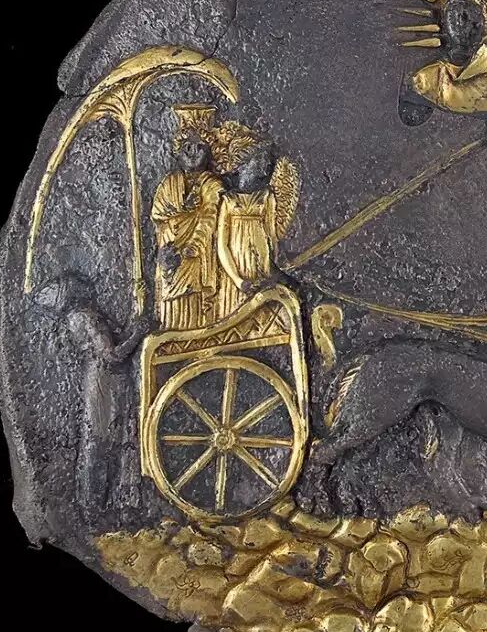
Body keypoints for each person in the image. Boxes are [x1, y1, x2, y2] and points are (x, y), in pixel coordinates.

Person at [36, 274, 150, 510]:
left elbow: (115, 341)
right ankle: (98, 500)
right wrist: (139, 333)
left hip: (98, 378)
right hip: (105, 381)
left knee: (100, 438)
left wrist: (137, 320)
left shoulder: (74, 318)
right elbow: (113, 355)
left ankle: (94, 500)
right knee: (104, 439)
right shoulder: (87, 316)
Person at [214, 124, 301, 320]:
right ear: (244, 163)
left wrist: (273, 271)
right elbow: (222, 245)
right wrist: (237, 280)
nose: (265, 166)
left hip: (261, 265)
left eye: (266, 161)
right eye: (260, 159)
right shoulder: (228, 201)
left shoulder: (266, 197)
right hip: (236, 270)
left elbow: (271, 238)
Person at [150, 105, 226, 330]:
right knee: (170, 309)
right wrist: (182, 209)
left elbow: (210, 217)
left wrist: (193, 246)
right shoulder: (169, 184)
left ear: (209, 153)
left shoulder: (212, 185)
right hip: (170, 253)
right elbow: (158, 213)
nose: (193, 152)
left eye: (200, 147)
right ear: (177, 152)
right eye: (187, 147)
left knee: (195, 306)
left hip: (198, 255)